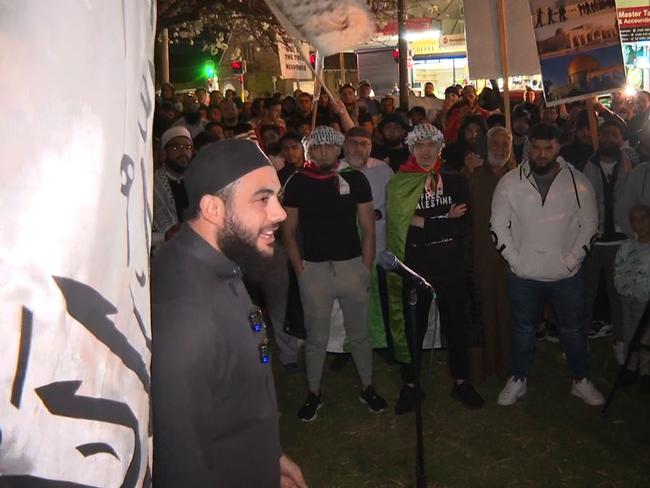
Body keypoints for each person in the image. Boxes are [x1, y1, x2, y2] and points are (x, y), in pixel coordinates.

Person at [151, 139, 306, 487]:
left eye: (277, 197)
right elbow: (180, 463)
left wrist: (269, 458)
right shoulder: (185, 314)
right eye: (262, 199)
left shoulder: (219, 263)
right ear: (213, 209)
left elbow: (232, 405)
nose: (280, 213)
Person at [491, 123, 604, 406]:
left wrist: (572, 260)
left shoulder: (578, 183)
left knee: (572, 329)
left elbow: (590, 225)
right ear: (529, 146)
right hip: (523, 275)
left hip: (566, 275)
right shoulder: (508, 182)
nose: (541, 154)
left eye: (548, 148)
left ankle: (580, 380)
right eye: (537, 148)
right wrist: (515, 260)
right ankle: (518, 378)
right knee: (522, 329)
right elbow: (497, 226)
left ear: (557, 147)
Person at [281, 126, 387, 421]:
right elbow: (288, 231)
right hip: (314, 268)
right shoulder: (297, 182)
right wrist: (299, 268)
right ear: (309, 151)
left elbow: (368, 226)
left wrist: (365, 266)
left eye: (329, 147)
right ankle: (314, 392)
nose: (324, 152)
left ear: (339, 149)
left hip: (352, 265)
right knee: (316, 336)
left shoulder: (355, 179)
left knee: (360, 333)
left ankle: (367, 386)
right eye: (318, 148)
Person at [386, 124, 485, 412]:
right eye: (420, 146)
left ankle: (461, 380)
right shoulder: (399, 183)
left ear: (441, 148)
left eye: (431, 145)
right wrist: (443, 218)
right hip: (416, 268)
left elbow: (464, 219)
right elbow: (402, 223)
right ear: (411, 149)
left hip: (451, 266)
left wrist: (424, 220)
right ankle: (410, 385)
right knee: (412, 327)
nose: (426, 152)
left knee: (457, 325)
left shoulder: (454, 180)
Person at [468, 127, 516, 381]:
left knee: (508, 312)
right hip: (481, 253)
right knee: (484, 309)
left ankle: (509, 366)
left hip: (512, 257)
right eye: (494, 144)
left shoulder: (518, 176)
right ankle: (485, 367)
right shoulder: (473, 174)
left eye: (504, 144)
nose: (499, 148)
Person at [582, 121, 632, 344]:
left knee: (618, 295)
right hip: (594, 240)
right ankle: (580, 341)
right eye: (604, 134)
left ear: (621, 138)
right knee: (585, 295)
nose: (609, 139)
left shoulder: (630, 165)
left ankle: (620, 342)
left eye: (614, 135)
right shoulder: (589, 166)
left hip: (620, 241)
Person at [614, 204, 650, 392]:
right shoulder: (627, 247)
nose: (638, 224)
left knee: (645, 336)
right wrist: (622, 287)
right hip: (627, 298)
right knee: (629, 332)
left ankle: (646, 371)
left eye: (643, 219)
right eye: (634, 220)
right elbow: (618, 269)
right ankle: (630, 368)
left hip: (645, 301)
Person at [153, 127, 193, 249]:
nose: (184, 152)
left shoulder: (197, 181)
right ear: (164, 153)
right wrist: (164, 236)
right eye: (176, 148)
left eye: (188, 148)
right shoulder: (153, 185)